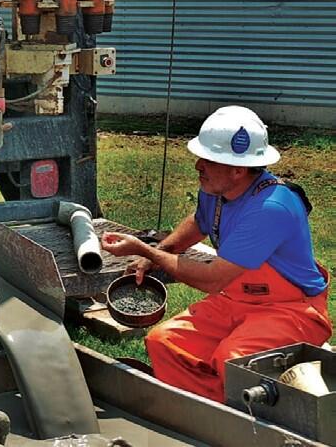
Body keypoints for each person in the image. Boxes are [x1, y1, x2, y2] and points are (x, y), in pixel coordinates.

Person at [101, 106, 331, 403]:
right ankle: (206, 412)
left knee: (232, 360)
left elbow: (212, 280)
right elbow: (200, 221)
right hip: (237, 301)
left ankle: (249, 423)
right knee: (163, 342)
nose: (198, 165)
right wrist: (162, 250)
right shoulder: (216, 191)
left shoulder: (271, 208)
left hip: (291, 310)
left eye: (208, 160)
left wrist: (145, 250)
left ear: (237, 169)